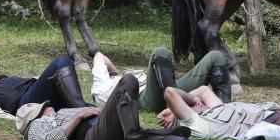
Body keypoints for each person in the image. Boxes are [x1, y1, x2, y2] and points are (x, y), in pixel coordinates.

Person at [17, 72, 266, 140]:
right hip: (94, 136)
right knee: (128, 81)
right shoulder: (36, 127)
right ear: (35, 116)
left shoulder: (56, 114)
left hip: (115, 135)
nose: (49, 108)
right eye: (44, 108)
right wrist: (81, 114)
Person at [91, 47, 232, 112]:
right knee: (160, 53)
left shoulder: (119, 77)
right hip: (143, 99)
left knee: (216, 56)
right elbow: (99, 56)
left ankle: (224, 111)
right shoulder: (101, 85)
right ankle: (174, 107)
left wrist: (116, 73)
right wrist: (114, 75)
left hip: (168, 88)